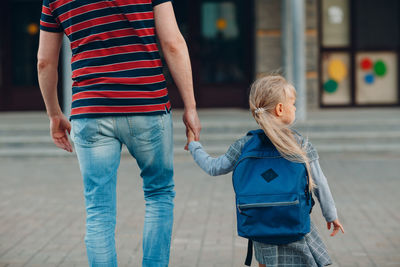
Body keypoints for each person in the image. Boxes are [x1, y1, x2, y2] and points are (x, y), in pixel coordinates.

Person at [37, 0, 201, 266]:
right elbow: (173, 43)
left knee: (98, 211)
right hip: (147, 104)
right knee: (159, 195)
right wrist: (191, 106)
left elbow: (45, 62)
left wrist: (54, 114)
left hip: (90, 110)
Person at [186, 75, 344, 267]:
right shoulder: (300, 144)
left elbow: (213, 167)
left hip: (261, 225)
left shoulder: (244, 145)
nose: (295, 108)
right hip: (295, 222)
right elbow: (320, 182)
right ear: (280, 109)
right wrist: (331, 215)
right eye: (292, 104)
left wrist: (194, 144)